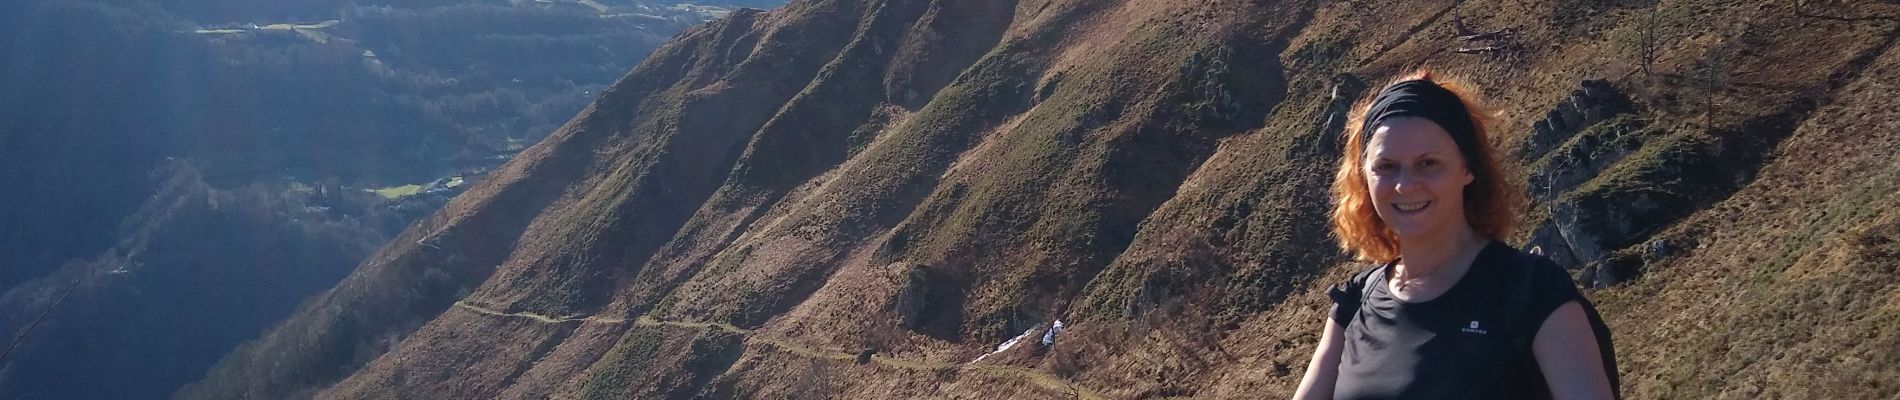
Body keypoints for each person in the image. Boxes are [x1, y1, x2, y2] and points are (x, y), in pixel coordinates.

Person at [1291, 71, 1616, 399]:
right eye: (1386, 166)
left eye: (1428, 163)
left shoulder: (1532, 293)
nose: (1405, 185)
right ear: (1364, 177)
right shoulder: (1356, 303)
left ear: (1468, 168)